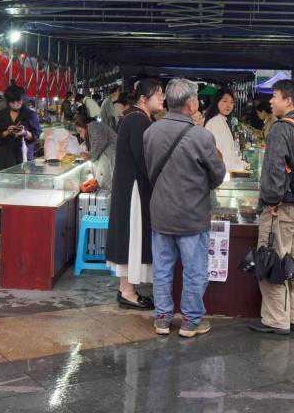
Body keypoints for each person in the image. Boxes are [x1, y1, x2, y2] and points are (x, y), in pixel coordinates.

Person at [145, 79, 227, 338]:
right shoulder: (202, 136)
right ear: (191, 103)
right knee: (194, 271)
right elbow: (217, 176)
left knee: (162, 269)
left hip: (161, 212)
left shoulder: (151, 132)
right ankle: (191, 321)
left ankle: (162, 318)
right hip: (192, 215)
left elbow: (149, 169)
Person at [249, 80, 294, 336]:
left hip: (282, 207)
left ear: (288, 100)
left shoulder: (281, 128)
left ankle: (276, 319)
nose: (271, 101)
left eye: (275, 96)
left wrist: (271, 202)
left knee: (272, 260)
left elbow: (274, 169)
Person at [106, 78, 164, 310]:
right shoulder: (138, 120)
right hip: (134, 189)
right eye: (158, 94)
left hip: (132, 187)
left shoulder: (136, 117)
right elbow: (144, 158)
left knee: (131, 235)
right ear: (143, 98)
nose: (162, 98)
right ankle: (127, 291)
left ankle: (127, 289)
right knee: (133, 236)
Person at [0, 85, 42, 171]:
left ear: (23, 100)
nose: (15, 104)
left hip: (23, 155)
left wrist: (24, 133)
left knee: (23, 177)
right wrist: (7, 132)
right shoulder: (0, 115)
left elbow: (36, 136)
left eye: (18, 101)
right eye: (12, 102)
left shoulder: (30, 115)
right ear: (7, 101)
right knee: (4, 178)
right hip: (4, 157)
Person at [204, 89, 248, 174]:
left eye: (232, 102)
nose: (229, 105)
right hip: (221, 174)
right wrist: (241, 167)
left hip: (225, 172)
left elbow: (229, 154)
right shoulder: (215, 122)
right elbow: (218, 157)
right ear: (216, 102)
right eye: (224, 101)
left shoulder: (222, 120)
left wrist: (242, 164)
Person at [74, 111, 117, 190]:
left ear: (85, 126)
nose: (80, 135)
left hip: (112, 159)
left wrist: (88, 156)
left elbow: (97, 147)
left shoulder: (93, 126)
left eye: (80, 131)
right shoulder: (94, 128)